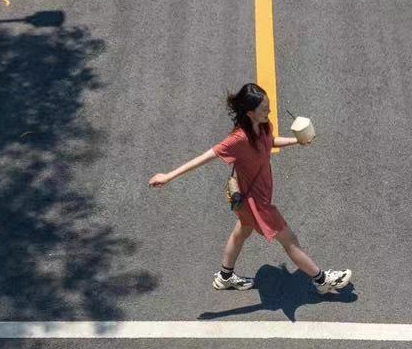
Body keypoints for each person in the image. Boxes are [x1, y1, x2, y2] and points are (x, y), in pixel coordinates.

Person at [149, 83, 353, 294]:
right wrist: (169, 176)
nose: (269, 112)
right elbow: (204, 158)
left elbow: (270, 141)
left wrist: (297, 141)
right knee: (290, 240)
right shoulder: (237, 140)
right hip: (255, 203)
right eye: (264, 109)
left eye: (268, 106)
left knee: (241, 233)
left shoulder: (263, 125)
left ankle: (225, 277)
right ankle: (322, 281)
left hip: (254, 196)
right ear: (249, 113)